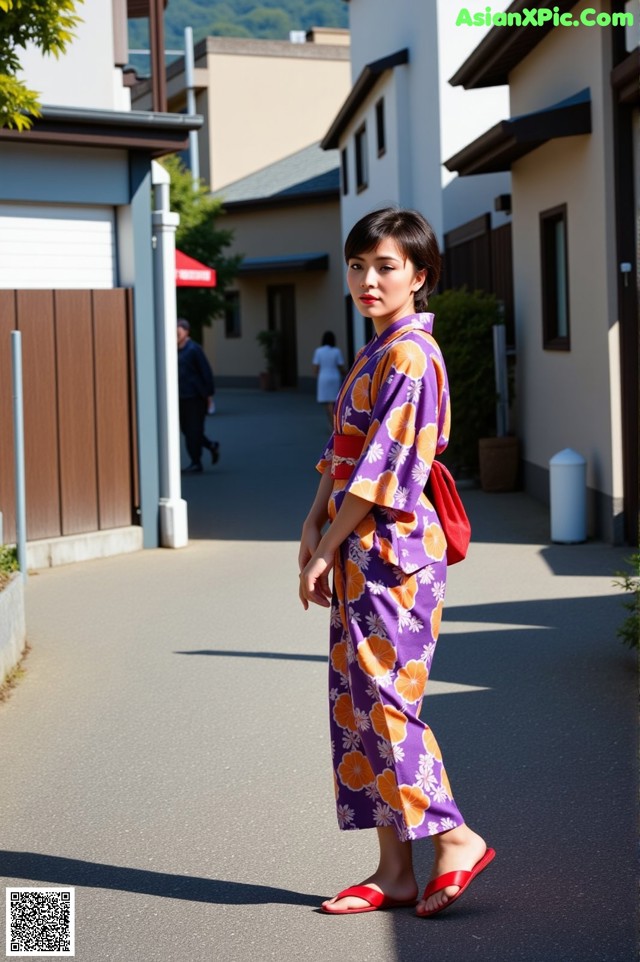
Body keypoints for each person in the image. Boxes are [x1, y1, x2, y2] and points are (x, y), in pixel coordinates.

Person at [298, 208, 494, 918]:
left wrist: (325, 543)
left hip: (395, 552)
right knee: (356, 706)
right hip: (360, 545)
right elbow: (345, 450)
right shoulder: (379, 348)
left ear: (420, 275)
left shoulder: (410, 355)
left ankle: (455, 836)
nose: (368, 279)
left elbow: (385, 471)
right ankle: (393, 872)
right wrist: (313, 519)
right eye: (358, 266)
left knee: (385, 703)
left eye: (386, 266)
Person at [177, 318, 220, 474]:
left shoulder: (194, 349)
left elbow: (206, 372)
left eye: (178, 332)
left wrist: (209, 396)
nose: (175, 336)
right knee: (187, 430)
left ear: (186, 332)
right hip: (180, 397)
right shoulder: (174, 350)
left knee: (193, 430)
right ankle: (211, 445)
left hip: (195, 397)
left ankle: (196, 462)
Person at [313, 331, 345, 427]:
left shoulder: (318, 351)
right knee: (334, 402)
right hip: (334, 377)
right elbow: (341, 367)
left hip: (323, 377)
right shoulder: (336, 351)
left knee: (327, 403)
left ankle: (332, 423)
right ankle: (333, 423)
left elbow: (315, 368)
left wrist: (316, 375)